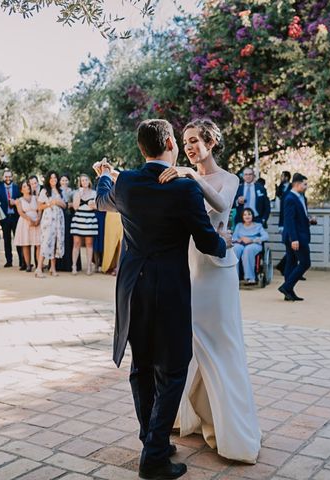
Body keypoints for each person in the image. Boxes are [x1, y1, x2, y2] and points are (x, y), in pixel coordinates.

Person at [95, 119, 230, 480]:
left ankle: (151, 438)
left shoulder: (126, 183)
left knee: (142, 367)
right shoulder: (184, 188)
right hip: (168, 290)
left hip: (133, 289)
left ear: (142, 148)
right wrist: (225, 242)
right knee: (171, 370)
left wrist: (105, 174)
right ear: (170, 142)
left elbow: (101, 199)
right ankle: (153, 456)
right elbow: (206, 241)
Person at [158, 118, 261, 464]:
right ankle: (190, 415)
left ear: (211, 143)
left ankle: (232, 432)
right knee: (190, 344)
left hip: (217, 273)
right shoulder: (181, 176)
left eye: (194, 141)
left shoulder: (227, 179)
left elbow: (219, 205)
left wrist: (191, 176)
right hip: (190, 267)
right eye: (184, 141)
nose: (188, 147)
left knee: (220, 345)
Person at [278, 173, 312, 301]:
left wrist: (309, 220)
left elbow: (298, 217)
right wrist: (294, 239)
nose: (306, 186)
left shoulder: (300, 197)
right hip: (295, 237)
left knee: (291, 263)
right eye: (304, 184)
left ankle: (289, 292)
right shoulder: (290, 198)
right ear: (297, 184)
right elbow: (289, 220)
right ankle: (287, 287)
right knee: (305, 263)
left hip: (298, 234)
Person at [37, 172, 66, 278]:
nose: (53, 179)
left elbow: (64, 205)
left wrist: (58, 202)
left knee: (55, 242)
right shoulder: (44, 191)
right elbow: (39, 206)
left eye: (55, 177)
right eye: (51, 177)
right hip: (48, 219)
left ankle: (52, 268)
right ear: (48, 179)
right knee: (46, 242)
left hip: (59, 219)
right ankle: (39, 268)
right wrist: (50, 203)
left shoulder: (60, 191)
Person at [0, 169, 21, 268]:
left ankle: (22, 261)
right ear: (3, 177)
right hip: (4, 218)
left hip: (16, 217)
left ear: (12, 177)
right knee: (6, 240)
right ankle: (9, 261)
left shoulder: (18, 188)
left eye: (9, 176)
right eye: (6, 177)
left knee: (18, 239)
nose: (8, 178)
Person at [70, 174, 98, 275]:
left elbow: (97, 207)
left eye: (86, 180)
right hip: (78, 218)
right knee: (76, 243)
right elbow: (75, 207)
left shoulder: (94, 193)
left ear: (89, 181)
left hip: (90, 219)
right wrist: (80, 195)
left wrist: (93, 206)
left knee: (89, 244)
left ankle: (89, 266)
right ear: (80, 183)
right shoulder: (77, 193)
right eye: (82, 180)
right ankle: (74, 266)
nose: (84, 182)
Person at [233, 207, 269, 285]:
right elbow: (234, 237)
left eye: (249, 214)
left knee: (248, 250)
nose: (247, 216)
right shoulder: (239, 225)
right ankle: (234, 277)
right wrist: (240, 239)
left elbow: (266, 236)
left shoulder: (258, 225)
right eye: (245, 214)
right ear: (242, 217)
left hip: (254, 244)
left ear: (252, 215)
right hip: (241, 243)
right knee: (235, 249)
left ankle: (250, 278)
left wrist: (252, 240)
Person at [13, 179, 41, 272]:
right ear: (21, 190)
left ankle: (39, 265)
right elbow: (20, 212)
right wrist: (30, 220)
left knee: (38, 244)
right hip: (25, 221)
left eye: (28, 186)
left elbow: (40, 209)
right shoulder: (19, 200)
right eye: (24, 186)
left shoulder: (36, 198)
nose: (27, 187)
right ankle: (28, 265)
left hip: (36, 220)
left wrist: (38, 219)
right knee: (26, 244)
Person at [56, 174, 76, 272]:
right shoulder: (56, 191)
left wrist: (67, 205)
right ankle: (58, 264)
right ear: (59, 181)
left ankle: (69, 264)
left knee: (69, 238)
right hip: (58, 216)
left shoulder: (72, 191)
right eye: (62, 180)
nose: (64, 182)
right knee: (59, 238)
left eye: (66, 180)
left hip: (69, 217)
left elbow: (75, 204)